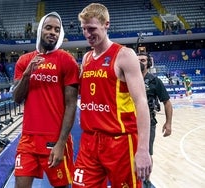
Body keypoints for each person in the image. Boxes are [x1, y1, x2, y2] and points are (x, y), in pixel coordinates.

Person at [73, 3, 152, 188]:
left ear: (106, 24)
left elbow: (141, 102)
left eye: (91, 28)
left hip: (120, 142)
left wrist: (143, 149)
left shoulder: (124, 55)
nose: (87, 34)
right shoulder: (86, 58)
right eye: (83, 29)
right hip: (89, 140)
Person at [13, 12, 79, 188]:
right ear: (40, 30)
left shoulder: (67, 60)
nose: (53, 33)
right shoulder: (24, 61)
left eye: (57, 30)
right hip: (28, 139)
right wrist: (27, 74)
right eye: (48, 28)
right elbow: (17, 98)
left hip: (54, 140)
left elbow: (71, 104)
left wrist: (61, 143)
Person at [137, 50, 173, 187]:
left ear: (149, 63)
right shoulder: (127, 78)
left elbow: (167, 102)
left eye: (143, 60)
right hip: (128, 123)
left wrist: (168, 123)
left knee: (146, 153)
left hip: (148, 124)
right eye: (137, 60)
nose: (139, 62)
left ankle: (146, 181)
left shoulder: (155, 81)